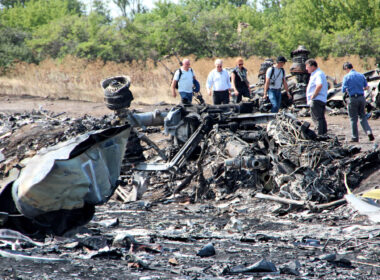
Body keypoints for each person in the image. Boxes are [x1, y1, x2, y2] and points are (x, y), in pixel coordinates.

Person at [342, 62, 375, 142]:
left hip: (352, 98)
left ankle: (355, 137)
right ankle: (368, 132)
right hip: (361, 98)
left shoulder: (346, 76)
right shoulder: (361, 75)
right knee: (362, 117)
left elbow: (343, 90)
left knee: (353, 119)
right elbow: (366, 87)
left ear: (346, 68)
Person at [305, 58, 328, 135]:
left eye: (307, 67)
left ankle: (319, 135)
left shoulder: (318, 74)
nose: (306, 69)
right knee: (321, 118)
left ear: (312, 66)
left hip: (316, 99)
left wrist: (313, 96)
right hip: (320, 99)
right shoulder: (317, 73)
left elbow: (319, 85)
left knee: (317, 118)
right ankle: (324, 134)